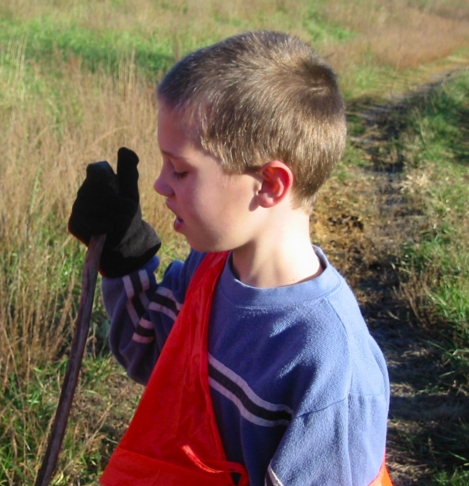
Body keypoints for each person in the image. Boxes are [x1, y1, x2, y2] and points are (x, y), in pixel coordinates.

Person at [68, 30, 391, 486]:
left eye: (181, 170)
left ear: (269, 185)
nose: (160, 185)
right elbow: (151, 355)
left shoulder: (331, 368)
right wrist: (124, 258)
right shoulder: (209, 272)